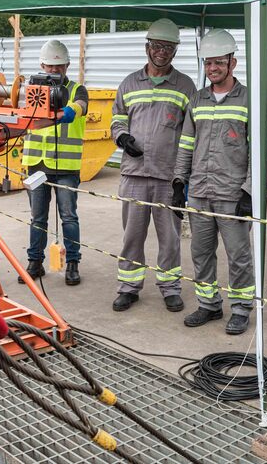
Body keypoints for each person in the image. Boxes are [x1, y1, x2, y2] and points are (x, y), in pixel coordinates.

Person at [110, 18, 197, 313]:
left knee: (170, 238)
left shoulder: (186, 86)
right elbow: (118, 117)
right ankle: (128, 287)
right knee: (132, 235)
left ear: (175, 51)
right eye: (157, 46)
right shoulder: (129, 83)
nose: (162, 52)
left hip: (167, 177)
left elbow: (191, 133)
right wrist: (122, 138)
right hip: (133, 174)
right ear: (147, 46)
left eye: (168, 47)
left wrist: (182, 179)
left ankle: (170, 288)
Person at [173, 29, 254, 335]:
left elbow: (258, 151)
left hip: (232, 195)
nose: (212, 69)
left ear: (232, 62)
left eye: (218, 62)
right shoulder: (198, 99)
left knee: (239, 256)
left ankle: (241, 308)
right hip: (201, 193)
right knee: (200, 253)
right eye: (208, 63)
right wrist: (179, 183)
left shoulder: (248, 99)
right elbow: (185, 145)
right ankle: (209, 304)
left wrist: (249, 190)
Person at [20, 40, 88, 286]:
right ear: (42, 65)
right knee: (37, 218)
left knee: (68, 216)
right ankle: (34, 263)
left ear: (67, 65)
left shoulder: (77, 89)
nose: (54, 71)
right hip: (37, 164)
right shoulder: (32, 90)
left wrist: (69, 112)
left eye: (59, 67)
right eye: (50, 66)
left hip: (66, 168)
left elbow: (80, 106)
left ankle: (72, 263)